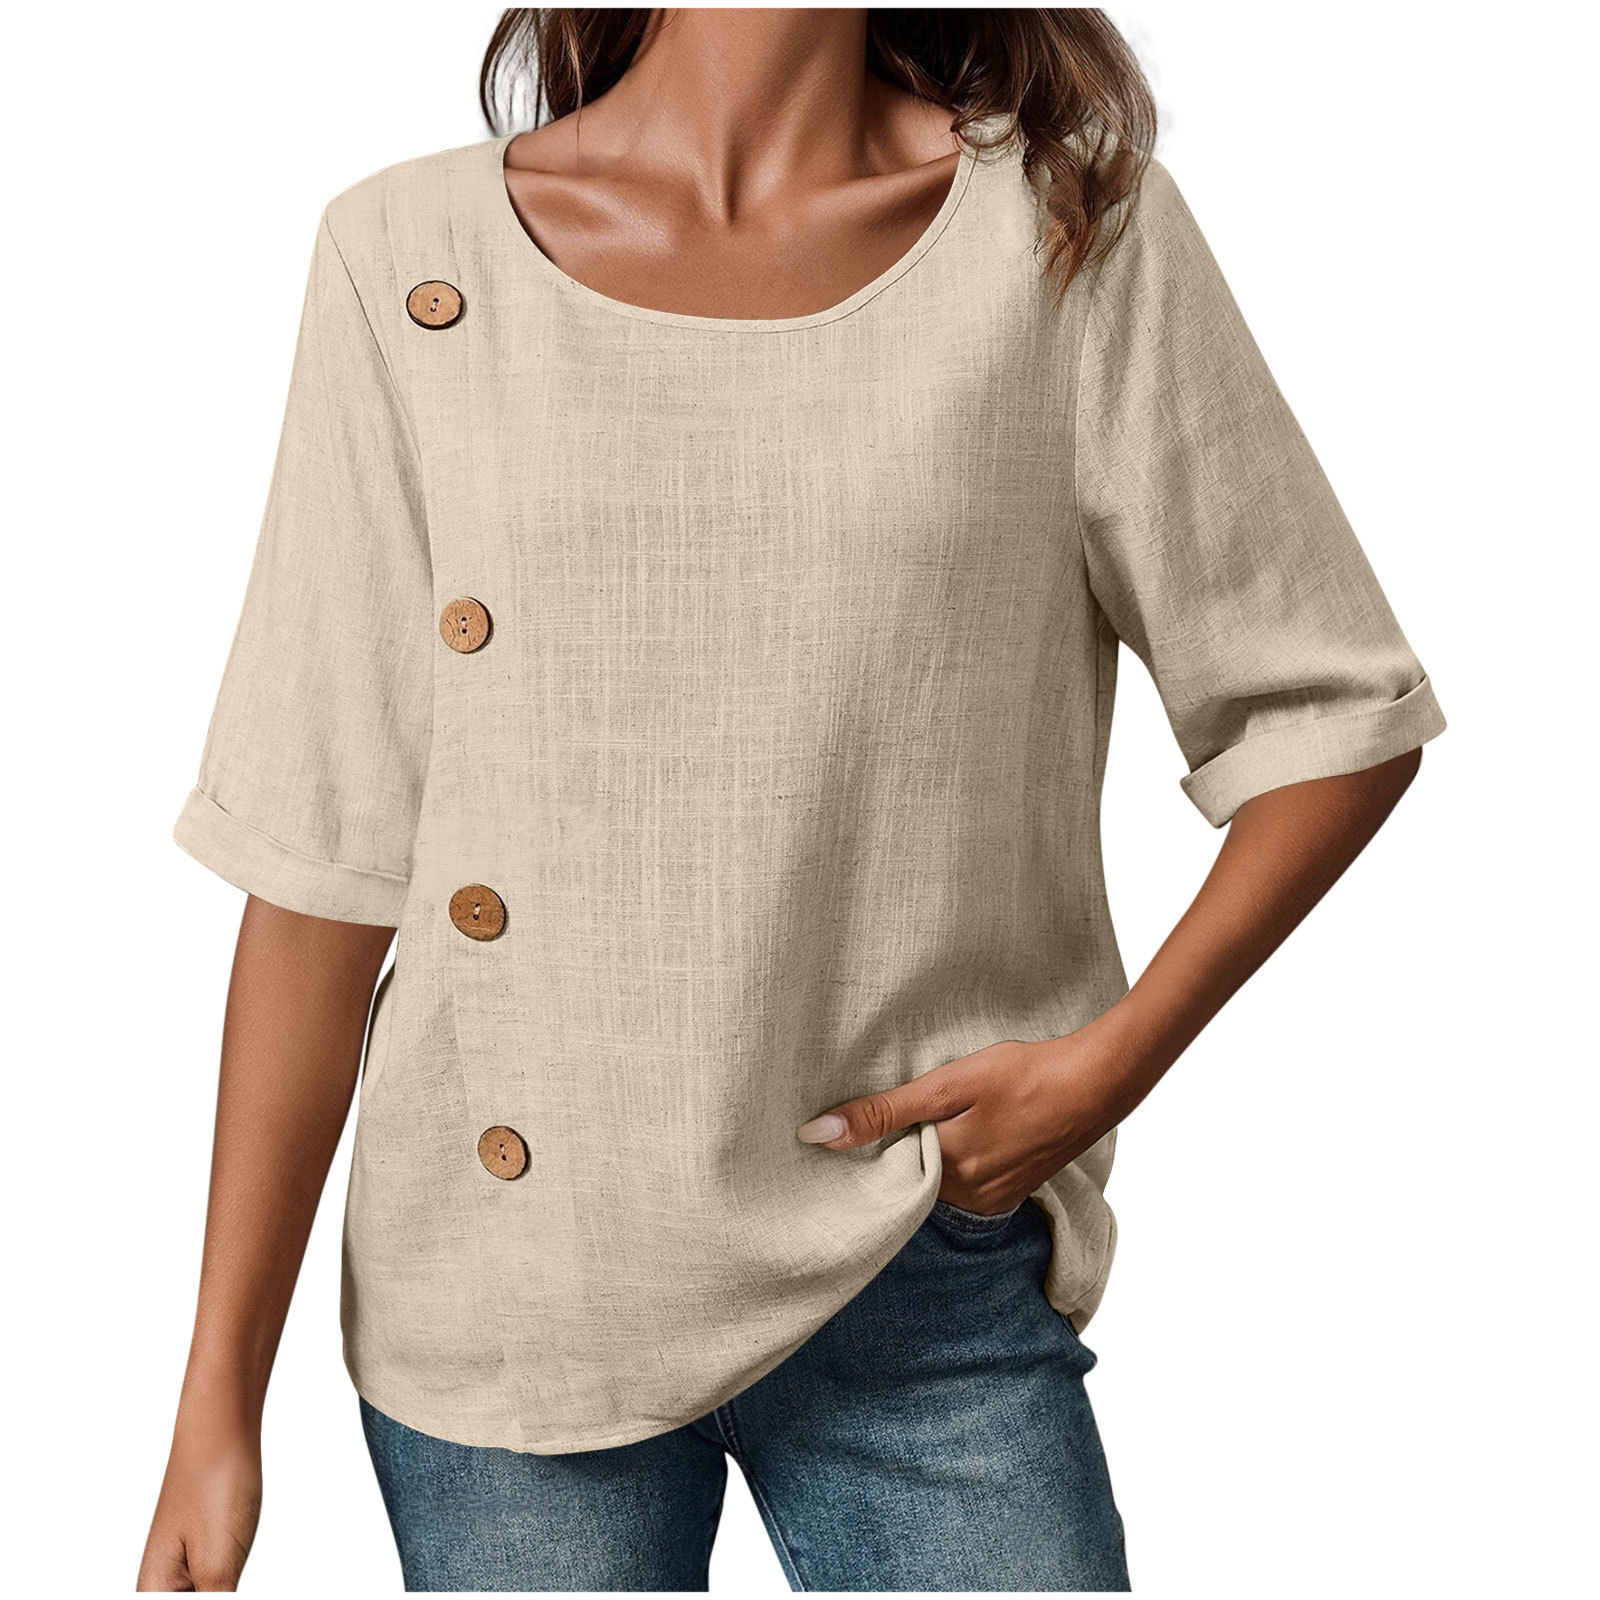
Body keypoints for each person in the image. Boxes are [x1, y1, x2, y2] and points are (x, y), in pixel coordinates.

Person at [138, 8, 1445, 1592]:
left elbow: (1330, 710)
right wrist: (216, 1396)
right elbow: (321, 861)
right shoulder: (409, 259)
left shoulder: (1065, 234)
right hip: (512, 1291)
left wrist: (1109, 1066)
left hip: (918, 1252)